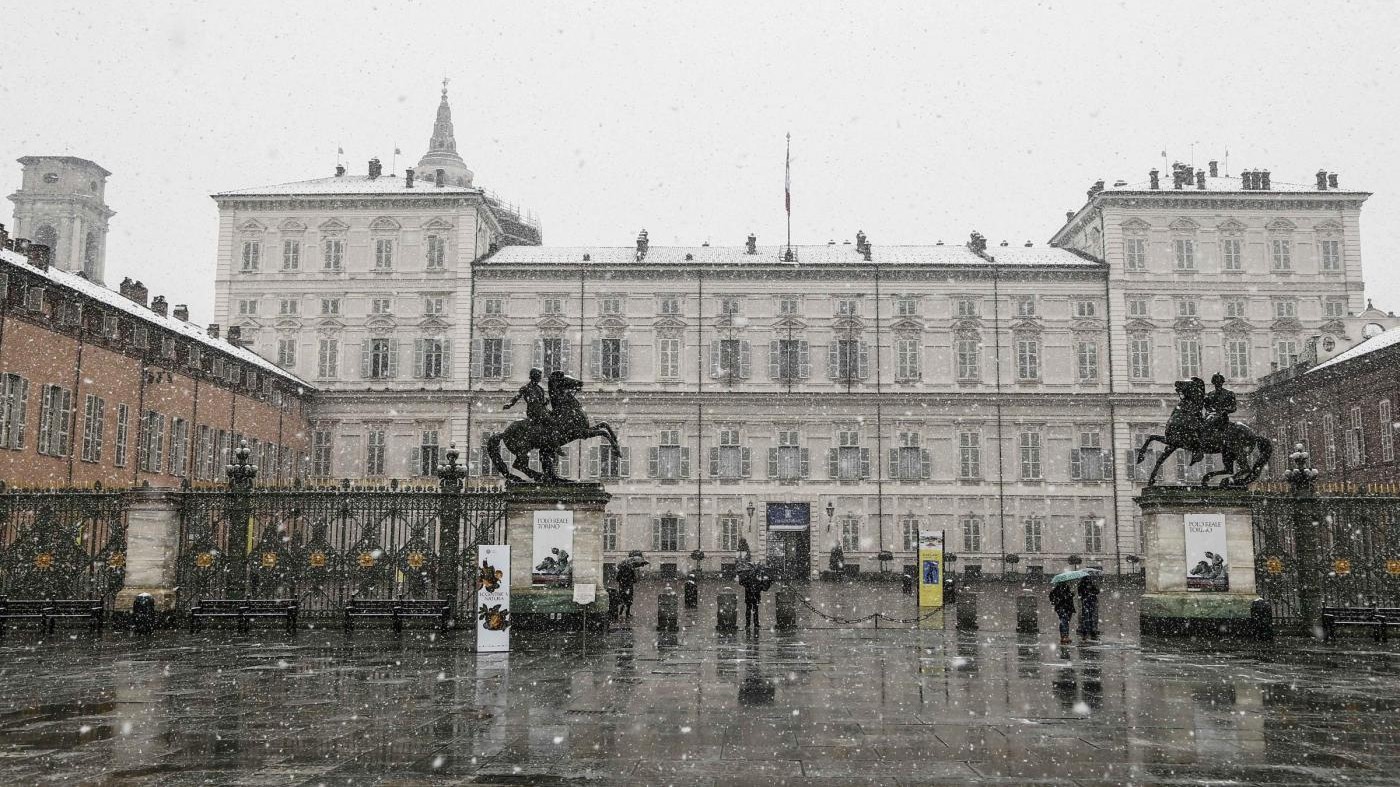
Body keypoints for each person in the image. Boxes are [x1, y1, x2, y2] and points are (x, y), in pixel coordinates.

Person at [737, 558, 771, 630]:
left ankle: (750, 624)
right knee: (753, 610)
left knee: (751, 610)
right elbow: (762, 586)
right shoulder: (755, 576)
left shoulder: (750, 576)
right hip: (754, 595)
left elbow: (743, 583)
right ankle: (753, 624)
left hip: (751, 595)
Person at [1050, 580, 1076, 645]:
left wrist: (1071, 595)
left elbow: (1068, 598)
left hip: (1068, 608)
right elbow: (1054, 598)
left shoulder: (1067, 588)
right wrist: (1058, 600)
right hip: (1062, 607)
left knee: (1065, 621)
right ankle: (1065, 636)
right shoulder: (1057, 590)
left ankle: (1064, 636)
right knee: (1064, 620)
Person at [1076, 576, 1101, 640]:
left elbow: (1079, 593)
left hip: (1085, 602)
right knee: (1091, 616)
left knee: (1086, 617)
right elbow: (1097, 591)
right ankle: (1092, 631)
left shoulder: (1081, 584)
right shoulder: (1091, 584)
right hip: (1091, 602)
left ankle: (1086, 631)